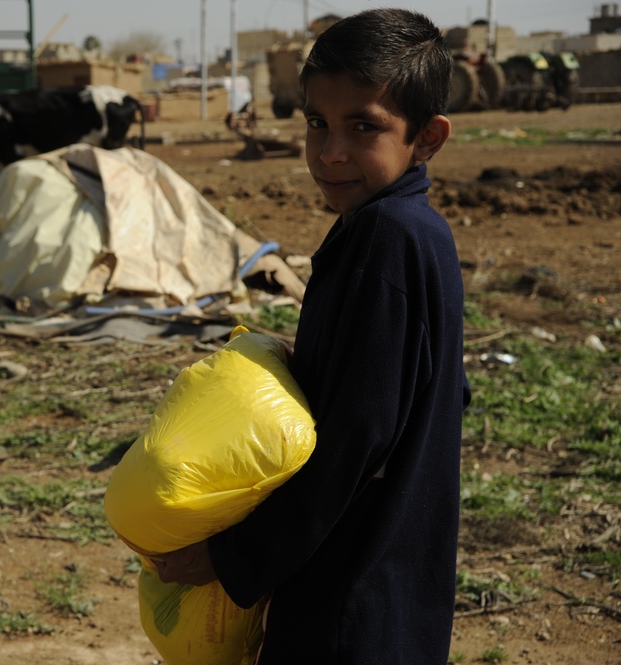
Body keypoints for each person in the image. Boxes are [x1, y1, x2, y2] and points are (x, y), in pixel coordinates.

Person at [152, 8, 472, 663]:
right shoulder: (397, 227)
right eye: (316, 123)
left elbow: (355, 440)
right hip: (388, 588)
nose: (329, 152)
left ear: (427, 137)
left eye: (362, 127)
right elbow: (437, 389)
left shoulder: (387, 238)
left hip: (348, 602)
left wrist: (231, 556)